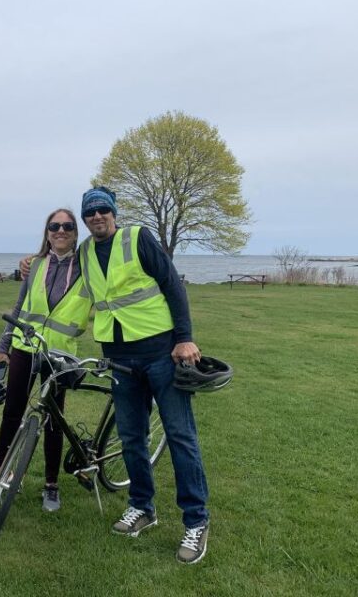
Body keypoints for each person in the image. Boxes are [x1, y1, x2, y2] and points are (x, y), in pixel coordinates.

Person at [78, 186, 210, 564]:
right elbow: (58, 266)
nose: (97, 217)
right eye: (90, 212)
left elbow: (172, 284)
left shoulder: (137, 238)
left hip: (160, 352)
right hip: (117, 358)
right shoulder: (85, 252)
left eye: (103, 210)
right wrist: (27, 263)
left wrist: (184, 338)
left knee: (180, 435)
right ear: (85, 219)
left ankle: (196, 521)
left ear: (114, 213)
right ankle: (143, 507)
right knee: (131, 437)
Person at [0, 208, 91, 512]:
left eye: (67, 226)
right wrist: (3, 346)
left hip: (59, 355)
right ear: (47, 232)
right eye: (54, 226)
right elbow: (19, 305)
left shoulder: (88, 267)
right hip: (24, 347)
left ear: (76, 233)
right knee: (12, 410)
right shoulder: (35, 265)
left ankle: (51, 485)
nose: (60, 231)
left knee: (54, 419)